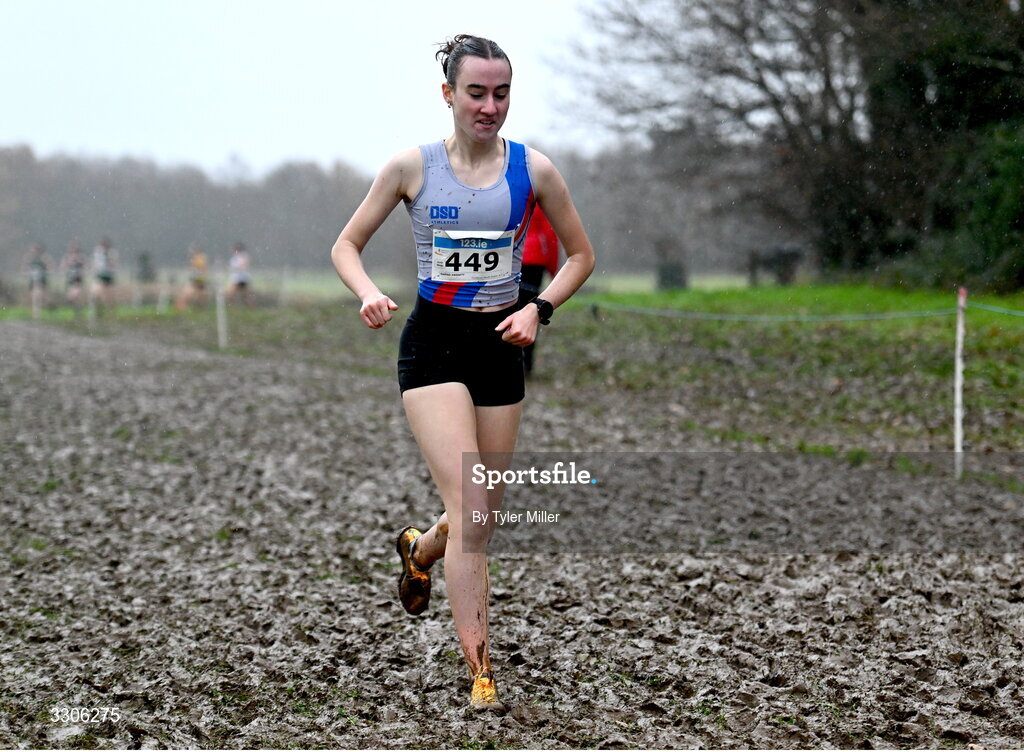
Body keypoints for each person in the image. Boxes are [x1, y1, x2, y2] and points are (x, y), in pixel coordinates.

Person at [330, 34, 595, 711]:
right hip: (434, 349)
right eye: (476, 92)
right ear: (448, 94)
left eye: (501, 93)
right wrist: (366, 291)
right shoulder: (411, 168)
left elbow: (580, 257)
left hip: (500, 346)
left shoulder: (533, 170)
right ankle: (482, 675)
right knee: (473, 512)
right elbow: (346, 244)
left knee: (478, 519)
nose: (490, 105)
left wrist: (540, 308)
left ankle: (420, 550)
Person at [518, 204, 560, 375]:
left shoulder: (513, 199)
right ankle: (526, 362)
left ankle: (511, 360)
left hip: (511, 259)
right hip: (534, 262)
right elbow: (550, 237)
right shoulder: (540, 203)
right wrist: (553, 269)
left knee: (508, 309)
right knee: (532, 312)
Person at [22, 243, 52, 317]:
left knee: (40, 295)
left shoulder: (44, 258)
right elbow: (24, 268)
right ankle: (35, 312)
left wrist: (47, 270)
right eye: (34, 249)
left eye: (37, 250)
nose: (36, 251)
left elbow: (49, 266)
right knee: (32, 296)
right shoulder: (29, 258)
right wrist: (25, 272)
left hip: (41, 279)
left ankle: (40, 309)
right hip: (32, 279)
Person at [176, 243, 208, 310]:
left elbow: (201, 269)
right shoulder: (198, 258)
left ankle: (182, 307)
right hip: (198, 280)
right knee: (200, 295)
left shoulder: (199, 258)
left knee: (187, 294)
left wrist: (196, 274)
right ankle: (200, 308)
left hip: (198, 280)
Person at [92, 237, 118, 310]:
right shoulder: (98, 252)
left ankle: (109, 307)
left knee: (108, 294)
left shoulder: (112, 253)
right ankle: (100, 307)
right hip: (100, 275)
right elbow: (96, 264)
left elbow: (113, 264)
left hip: (108, 276)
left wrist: (109, 261)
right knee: (97, 291)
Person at [59, 241, 87, 311]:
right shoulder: (66, 258)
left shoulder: (81, 257)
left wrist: (78, 261)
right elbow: (62, 266)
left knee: (74, 294)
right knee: (72, 297)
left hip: (77, 279)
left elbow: (86, 265)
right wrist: (68, 263)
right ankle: (77, 310)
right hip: (70, 279)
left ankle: (77, 308)